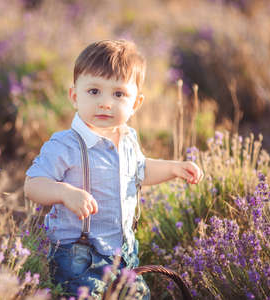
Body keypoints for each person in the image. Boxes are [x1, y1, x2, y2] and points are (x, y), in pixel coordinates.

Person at [24, 39, 203, 299]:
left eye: (118, 94)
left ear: (136, 103)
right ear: (75, 96)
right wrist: (64, 192)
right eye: (94, 91)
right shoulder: (64, 144)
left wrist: (174, 168)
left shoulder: (128, 139)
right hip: (78, 255)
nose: (105, 103)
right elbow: (33, 184)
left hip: (124, 250)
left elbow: (140, 172)